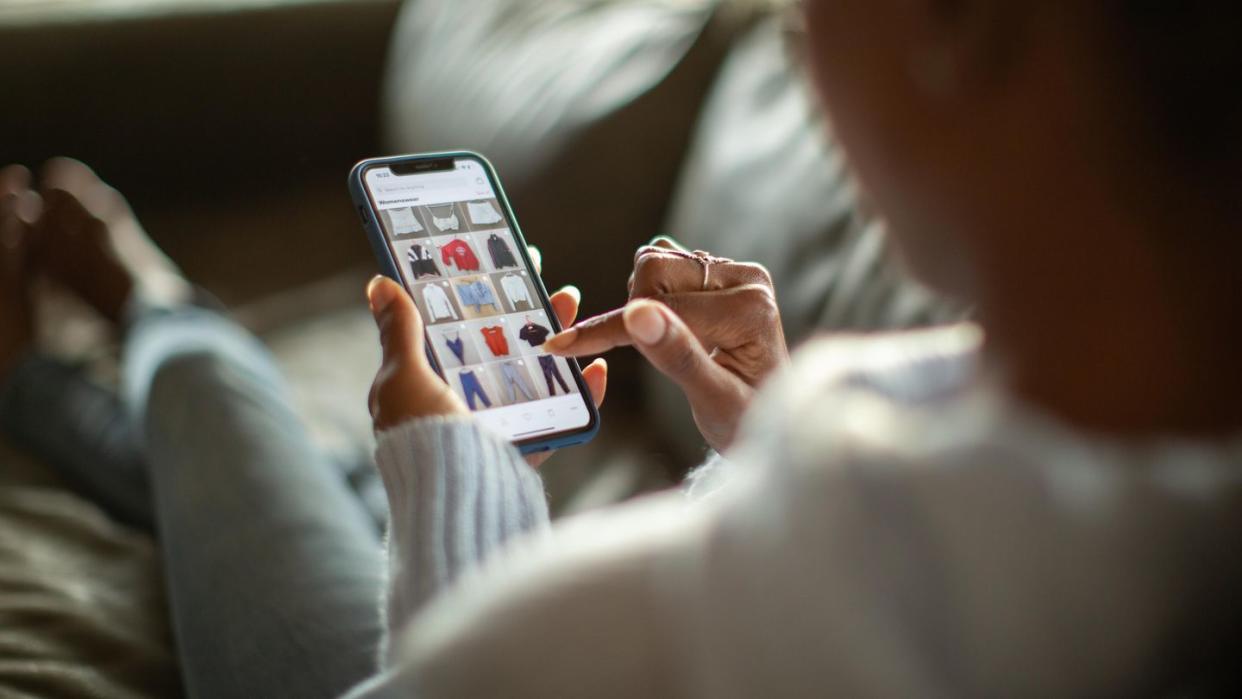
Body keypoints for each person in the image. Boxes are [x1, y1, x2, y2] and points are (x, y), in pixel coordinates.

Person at [3, 0, 1242, 696]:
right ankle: (80, 375)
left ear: (955, 29)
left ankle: (145, 310)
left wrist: (470, 483)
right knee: (301, 488)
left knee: (257, 443)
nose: (797, 42)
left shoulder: (775, 592)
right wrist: (758, 440)